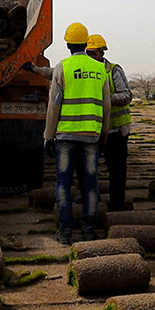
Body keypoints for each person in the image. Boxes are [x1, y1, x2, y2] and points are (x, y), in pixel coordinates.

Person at [44, 22, 110, 245]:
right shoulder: (100, 69)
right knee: (90, 185)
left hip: (65, 136)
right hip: (91, 135)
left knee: (63, 185)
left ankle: (65, 234)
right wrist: (104, 136)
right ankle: (89, 232)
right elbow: (106, 106)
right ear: (85, 43)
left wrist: (48, 136)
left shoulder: (63, 67)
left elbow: (54, 106)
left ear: (67, 44)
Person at [85, 34, 132, 212]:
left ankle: (117, 209)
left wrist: (106, 98)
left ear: (102, 53)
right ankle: (92, 204)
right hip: (93, 130)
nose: (91, 56)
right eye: (89, 53)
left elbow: (127, 95)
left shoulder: (113, 70)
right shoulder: (85, 72)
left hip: (116, 131)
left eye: (94, 53)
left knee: (117, 172)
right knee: (88, 171)